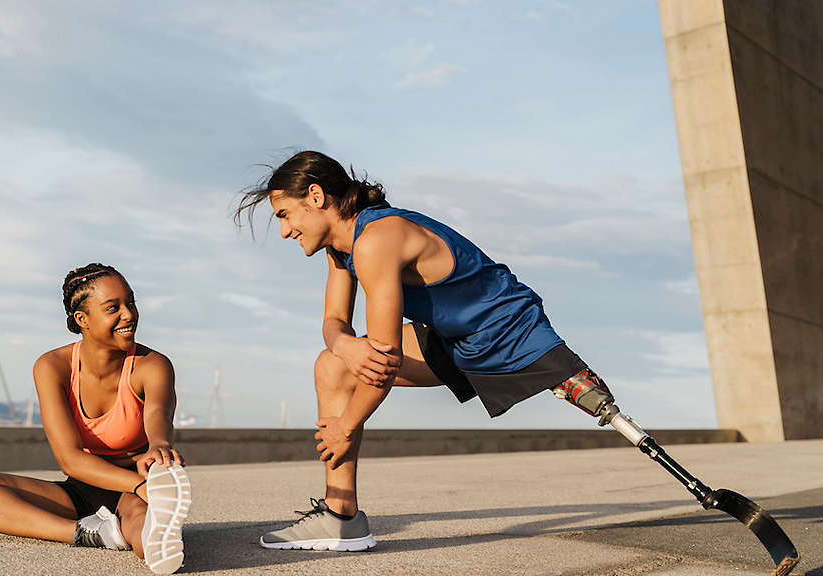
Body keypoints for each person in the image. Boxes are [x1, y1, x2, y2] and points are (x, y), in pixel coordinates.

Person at [234, 151, 615, 551]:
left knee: (355, 367)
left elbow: (384, 362)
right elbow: (333, 322)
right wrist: (344, 344)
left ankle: (562, 374)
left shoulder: (377, 239)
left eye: (283, 215)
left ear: (315, 196)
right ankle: (340, 516)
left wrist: (345, 427)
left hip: (505, 332)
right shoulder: (341, 249)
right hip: (451, 337)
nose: (284, 231)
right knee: (333, 365)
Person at [0, 263, 192, 575]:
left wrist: (158, 448)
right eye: (113, 307)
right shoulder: (52, 366)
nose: (129, 314)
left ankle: (151, 532)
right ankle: (90, 532)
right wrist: (141, 486)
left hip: (131, 488)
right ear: (81, 319)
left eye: (131, 302)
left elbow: (158, 414)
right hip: (83, 488)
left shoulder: (152, 365)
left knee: (147, 540)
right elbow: (69, 459)